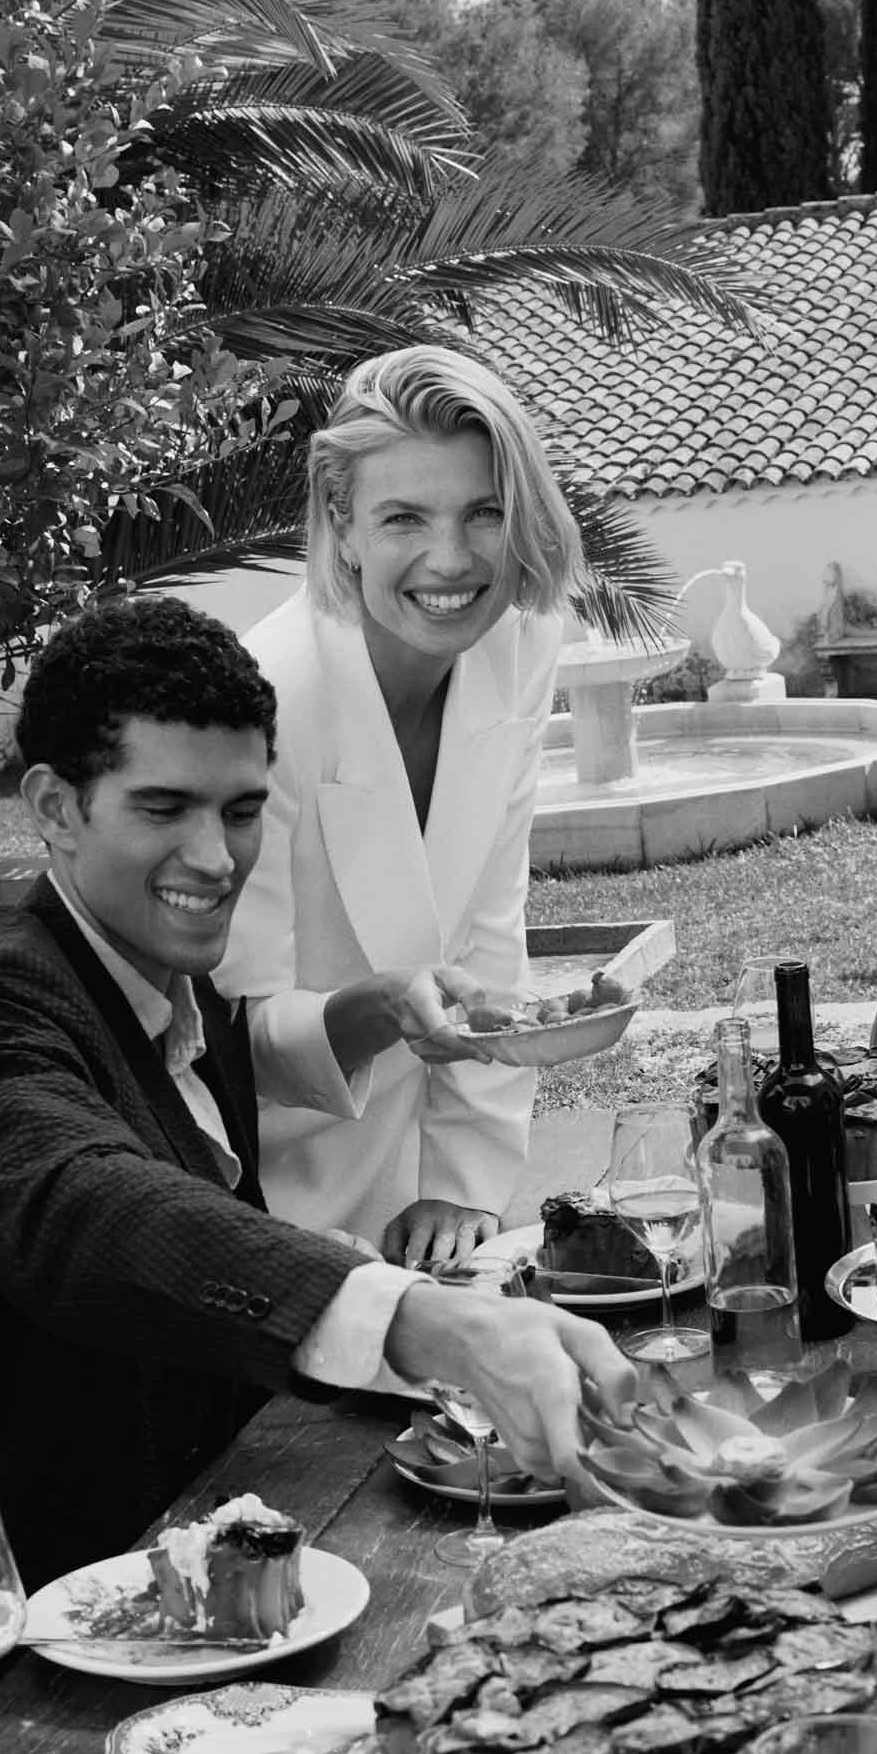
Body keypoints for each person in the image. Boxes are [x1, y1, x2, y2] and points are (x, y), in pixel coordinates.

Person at [0, 596, 630, 1740]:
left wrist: (376, 1012)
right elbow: (81, 1199)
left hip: (208, 1629)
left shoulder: (176, 986)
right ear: (53, 808)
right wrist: (426, 1325)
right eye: (164, 808)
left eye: (241, 811)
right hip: (12, 1696)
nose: (214, 856)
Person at [216, 345, 583, 1266]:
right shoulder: (268, 701)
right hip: (263, 1193)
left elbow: (493, 928)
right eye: (403, 518)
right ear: (340, 524)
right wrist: (379, 1007)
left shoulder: (520, 637)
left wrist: (459, 1185)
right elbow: (228, 1034)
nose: (450, 561)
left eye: (485, 513)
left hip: (435, 1205)